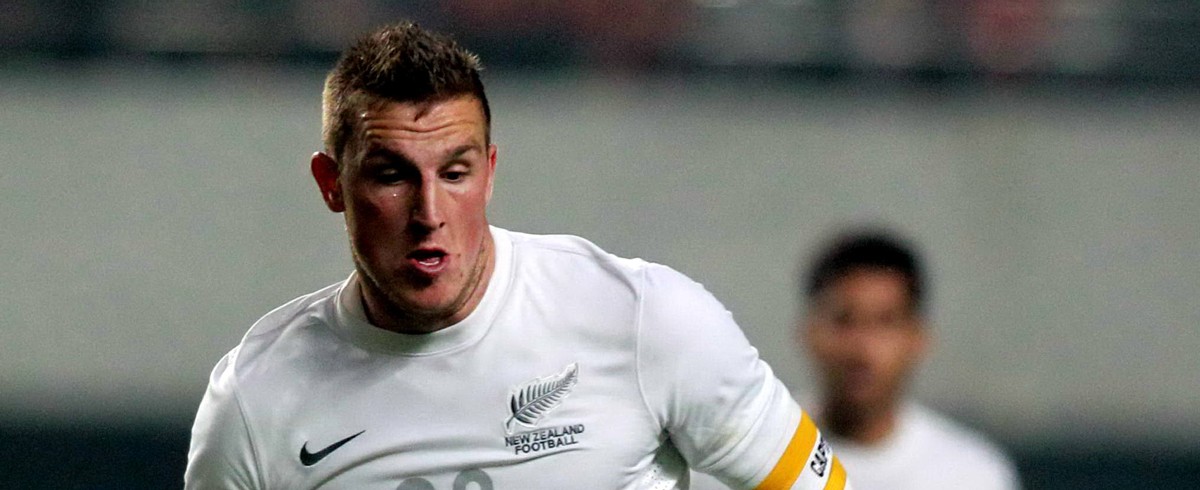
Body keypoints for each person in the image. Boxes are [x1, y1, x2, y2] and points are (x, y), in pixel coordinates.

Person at [184, 22, 851, 490]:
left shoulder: (646, 320)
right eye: (392, 175)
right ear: (332, 183)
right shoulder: (254, 402)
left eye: (455, 173)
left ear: (490, 172)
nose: (429, 212)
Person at [800, 230, 1020, 489]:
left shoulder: (974, 475)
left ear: (919, 337)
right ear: (809, 332)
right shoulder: (768, 447)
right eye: (844, 321)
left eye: (886, 322)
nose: (862, 348)